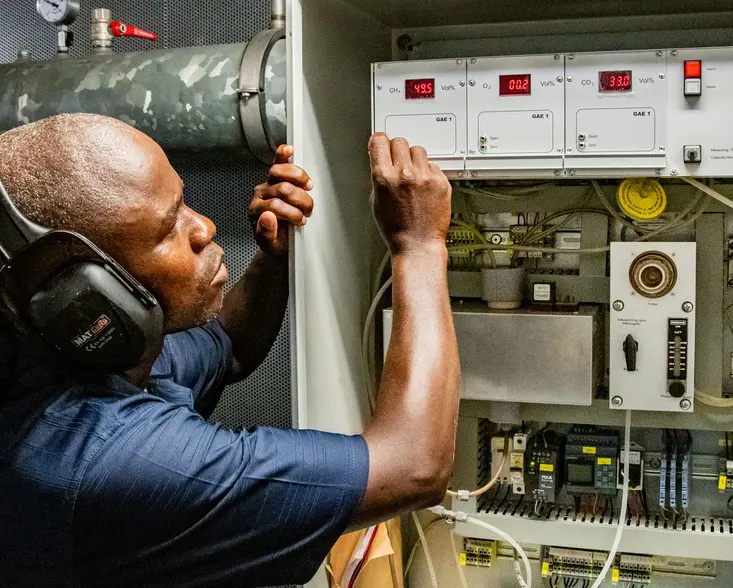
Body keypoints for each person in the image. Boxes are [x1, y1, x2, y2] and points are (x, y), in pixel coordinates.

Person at [0, 114, 460, 587]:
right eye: (168, 229)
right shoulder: (103, 461)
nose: (203, 227)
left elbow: (230, 347)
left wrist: (272, 258)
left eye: (184, 202)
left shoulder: (78, 359)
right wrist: (419, 243)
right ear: (83, 295)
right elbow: (415, 466)